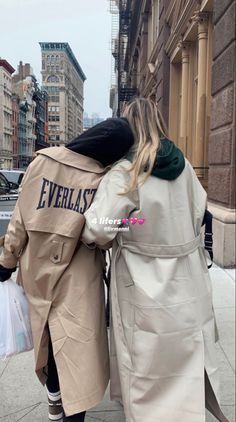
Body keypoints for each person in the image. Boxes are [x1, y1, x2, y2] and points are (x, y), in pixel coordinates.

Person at [82, 98, 229, 422]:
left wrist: (130, 224)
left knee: (147, 370)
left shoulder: (126, 171)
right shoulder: (185, 166)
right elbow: (197, 214)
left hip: (142, 282)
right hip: (187, 277)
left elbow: (96, 228)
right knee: (183, 363)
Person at [0, 117, 134, 422]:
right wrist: (130, 224)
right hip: (79, 278)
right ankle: (72, 412)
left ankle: (54, 398)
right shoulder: (104, 178)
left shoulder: (41, 164)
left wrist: (6, 262)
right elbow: (106, 230)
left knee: (48, 344)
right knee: (77, 352)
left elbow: (19, 222)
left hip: (38, 273)